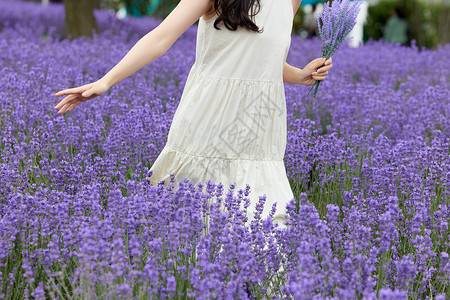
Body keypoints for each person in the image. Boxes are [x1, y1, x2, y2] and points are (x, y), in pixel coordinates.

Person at [54, 0, 333, 227]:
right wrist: (106, 81)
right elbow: (160, 39)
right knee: (194, 225)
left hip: (258, 130)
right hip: (208, 121)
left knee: (267, 228)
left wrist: (300, 75)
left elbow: (263, 58)